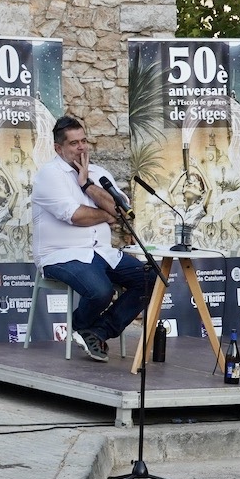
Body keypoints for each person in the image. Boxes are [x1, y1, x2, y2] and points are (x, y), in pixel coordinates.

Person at [30, 115, 155, 363]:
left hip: (102, 253)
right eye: (74, 143)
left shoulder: (98, 173)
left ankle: (97, 331)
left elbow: (121, 209)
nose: (82, 147)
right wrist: (107, 214)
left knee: (151, 278)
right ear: (59, 148)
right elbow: (76, 216)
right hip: (61, 254)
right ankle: (80, 326)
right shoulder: (49, 175)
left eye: (84, 140)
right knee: (101, 291)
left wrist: (87, 185)